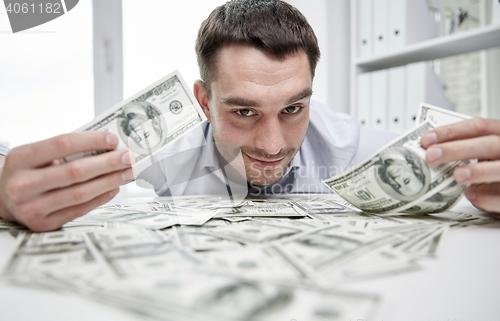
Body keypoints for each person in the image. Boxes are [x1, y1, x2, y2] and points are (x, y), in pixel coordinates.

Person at [0, 0, 499, 233]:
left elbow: (448, 170)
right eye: (243, 111)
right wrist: (5, 196)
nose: (273, 143)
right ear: (202, 101)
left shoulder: (348, 148)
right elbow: (32, 165)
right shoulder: (164, 149)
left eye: (293, 108)